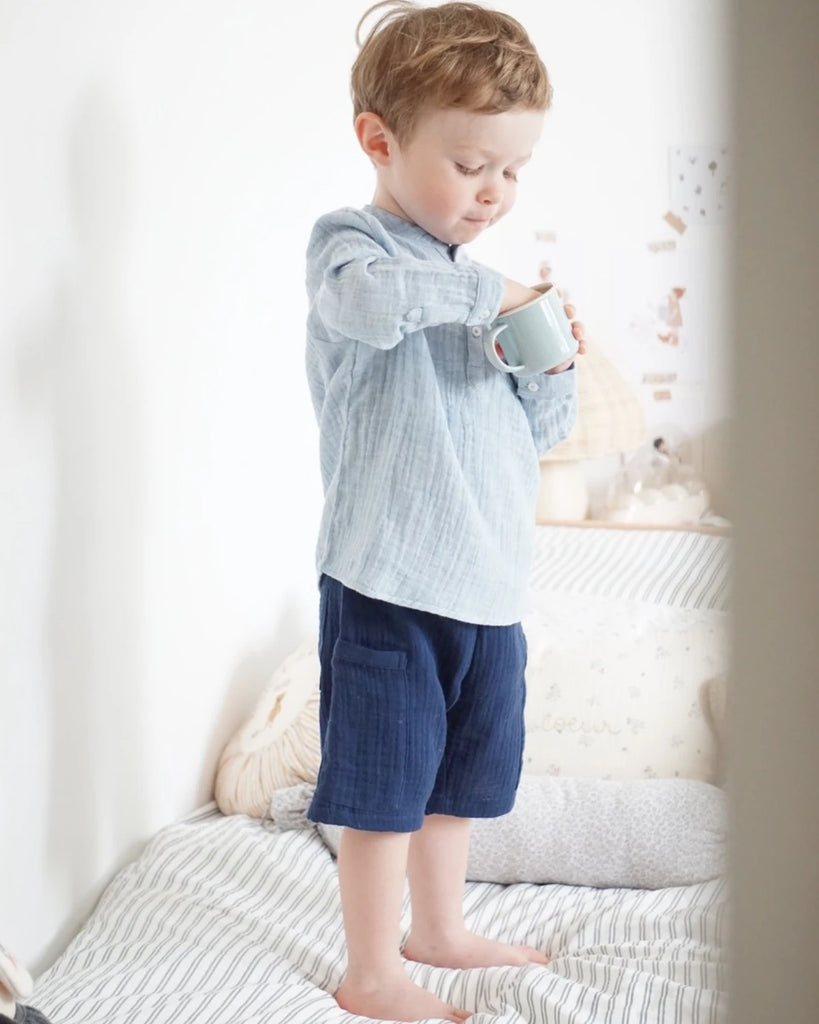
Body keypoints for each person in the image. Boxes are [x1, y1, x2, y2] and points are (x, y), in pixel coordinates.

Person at [304, 3, 585, 1020]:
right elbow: (370, 306)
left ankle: (438, 928)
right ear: (379, 140)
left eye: (512, 170)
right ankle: (371, 969)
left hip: (488, 586)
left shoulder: (480, 284)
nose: (493, 192)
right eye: (470, 166)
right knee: (385, 786)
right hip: (388, 578)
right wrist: (494, 297)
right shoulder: (354, 248)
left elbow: (540, 429)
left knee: (460, 780)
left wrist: (553, 355)